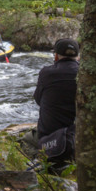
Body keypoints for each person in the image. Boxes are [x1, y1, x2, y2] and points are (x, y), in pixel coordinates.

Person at [21, 38, 79, 172]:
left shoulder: (47, 72)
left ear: (56, 56)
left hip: (50, 136)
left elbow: (38, 100)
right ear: (78, 56)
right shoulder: (85, 73)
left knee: (25, 140)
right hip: (77, 135)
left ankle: (41, 160)